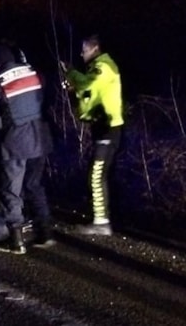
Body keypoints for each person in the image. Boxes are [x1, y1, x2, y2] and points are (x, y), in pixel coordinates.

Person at [0, 45, 54, 254]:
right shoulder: (32, 72)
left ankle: (16, 241)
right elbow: (46, 101)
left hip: (15, 143)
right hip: (40, 139)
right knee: (34, 185)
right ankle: (44, 233)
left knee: (11, 191)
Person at [61, 34, 123, 235]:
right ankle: (100, 218)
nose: (82, 54)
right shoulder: (97, 68)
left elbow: (89, 84)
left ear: (94, 49)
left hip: (108, 128)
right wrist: (74, 90)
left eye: (84, 50)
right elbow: (89, 94)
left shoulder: (103, 67)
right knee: (96, 175)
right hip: (101, 127)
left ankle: (102, 222)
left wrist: (71, 73)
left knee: (96, 175)